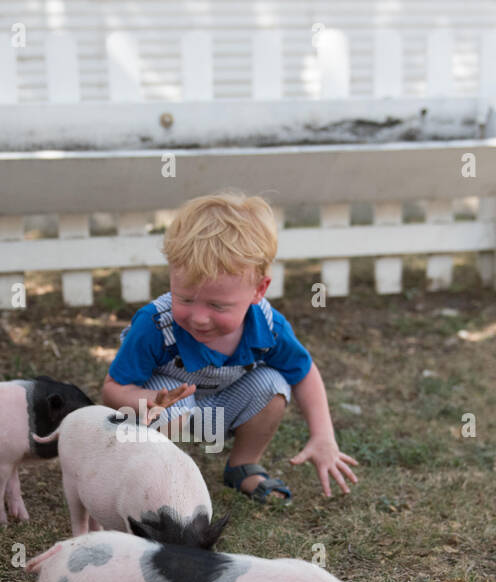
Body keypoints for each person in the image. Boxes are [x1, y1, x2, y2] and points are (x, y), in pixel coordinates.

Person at [100, 190, 358, 502]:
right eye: (185, 299)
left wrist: (323, 436)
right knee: (177, 409)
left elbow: (302, 373)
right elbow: (113, 389)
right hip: (164, 413)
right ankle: (157, 478)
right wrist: (150, 399)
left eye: (218, 306)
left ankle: (242, 466)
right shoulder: (154, 325)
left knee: (274, 384)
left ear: (258, 290)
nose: (199, 318)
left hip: (220, 408)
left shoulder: (269, 326)